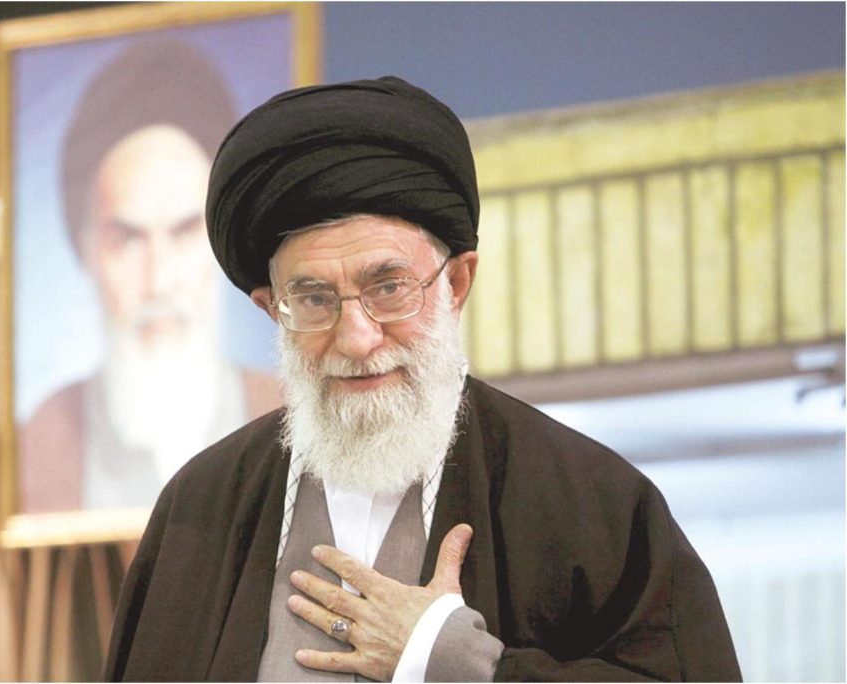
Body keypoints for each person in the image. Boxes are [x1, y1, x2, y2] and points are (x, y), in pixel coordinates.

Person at [103, 77, 741, 681]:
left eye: (388, 287)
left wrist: (455, 663)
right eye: (315, 298)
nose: (357, 338)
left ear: (456, 283)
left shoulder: (593, 505)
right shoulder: (197, 512)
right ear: (272, 310)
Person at [20, 40, 280, 512]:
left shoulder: (286, 416)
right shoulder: (40, 447)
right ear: (87, 250)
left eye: (184, 232)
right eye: (128, 240)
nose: (159, 281)